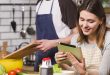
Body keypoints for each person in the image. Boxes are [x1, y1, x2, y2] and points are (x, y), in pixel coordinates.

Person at [55, 0, 110, 75]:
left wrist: (84, 72)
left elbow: (103, 73)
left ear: (101, 20)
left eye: (90, 21)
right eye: (82, 19)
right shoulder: (76, 39)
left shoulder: (108, 38)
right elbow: (74, 69)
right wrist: (61, 62)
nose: (84, 25)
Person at [34, 0, 78, 72]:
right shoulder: (39, 3)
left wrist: (53, 43)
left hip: (61, 61)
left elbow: (77, 35)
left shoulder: (65, 2)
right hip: (41, 61)